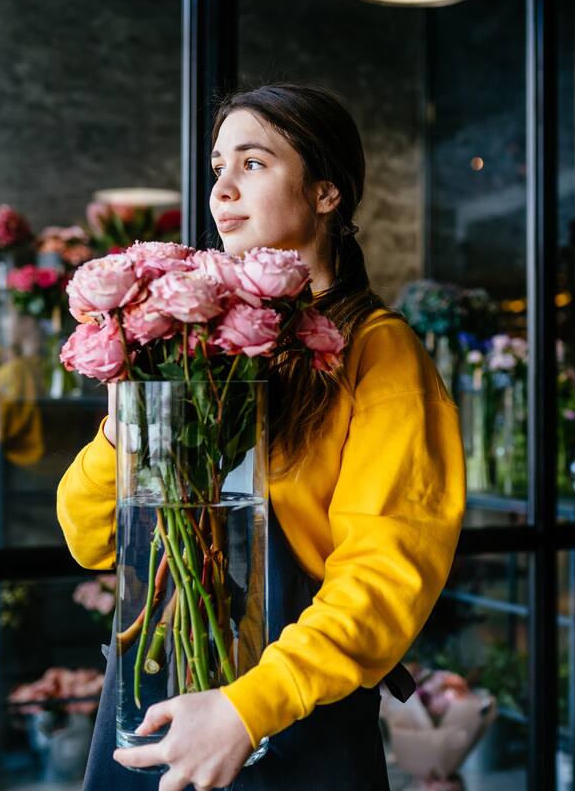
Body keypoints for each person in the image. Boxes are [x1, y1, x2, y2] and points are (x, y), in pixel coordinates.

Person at [55, 83, 466, 791]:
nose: (221, 189)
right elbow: (89, 535)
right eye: (218, 166)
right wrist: (129, 424)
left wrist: (247, 710)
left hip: (287, 718)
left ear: (327, 193)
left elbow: (385, 574)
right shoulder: (203, 347)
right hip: (155, 706)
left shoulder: (379, 353)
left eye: (253, 163)